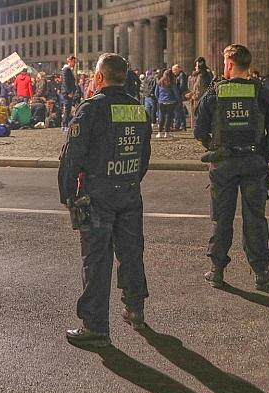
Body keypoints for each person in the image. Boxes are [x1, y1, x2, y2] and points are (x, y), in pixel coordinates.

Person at [59, 53, 152, 348]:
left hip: (98, 194)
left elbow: (72, 157)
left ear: (99, 78)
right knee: (131, 253)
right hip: (129, 189)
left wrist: (68, 195)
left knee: (97, 260)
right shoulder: (138, 109)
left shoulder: (91, 109)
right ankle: (134, 309)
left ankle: (95, 325)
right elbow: (144, 156)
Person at [193, 44, 269, 292]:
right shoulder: (261, 92)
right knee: (255, 218)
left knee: (221, 218)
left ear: (230, 65)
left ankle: (217, 270)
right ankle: (261, 273)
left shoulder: (215, 92)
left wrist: (215, 145)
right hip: (254, 162)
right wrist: (262, 149)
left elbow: (199, 130)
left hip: (223, 163)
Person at [154, 68, 181, 139]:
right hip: (170, 102)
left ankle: (159, 133)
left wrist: (159, 99)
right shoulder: (172, 83)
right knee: (169, 118)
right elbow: (176, 93)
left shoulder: (159, 83)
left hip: (161, 102)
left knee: (161, 117)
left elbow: (156, 93)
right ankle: (167, 132)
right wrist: (178, 100)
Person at [61, 56, 79, 128]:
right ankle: (65, 124)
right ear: (70, 61)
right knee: (67, 108)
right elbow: (66, 82)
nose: (74, 64)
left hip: (68, 91)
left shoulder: (67, 69)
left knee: (68, 108)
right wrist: (69, 92)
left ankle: (65, 124)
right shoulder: (66, 70)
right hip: (68, 92)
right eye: (74, 62)